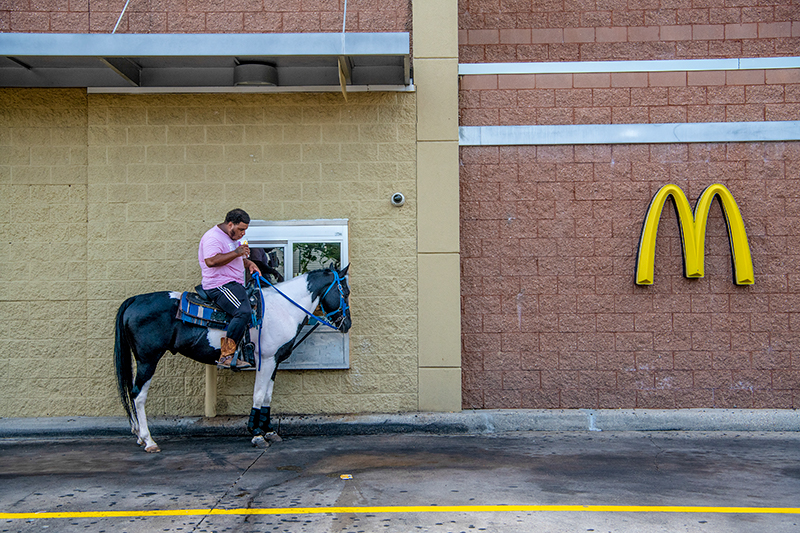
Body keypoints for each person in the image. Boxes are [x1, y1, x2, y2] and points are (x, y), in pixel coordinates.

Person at [198, 208, 261, 368]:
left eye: (245, 230)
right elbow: (211, 261)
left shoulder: (231, 238)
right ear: (230, 224)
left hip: (234, 284)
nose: (243, 234)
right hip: (219, 285)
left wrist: (249, 263)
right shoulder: (213, 237)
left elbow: (234, 259)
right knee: (243, 312)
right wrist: (236, 252)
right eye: (241, 229)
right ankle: (226, 355)